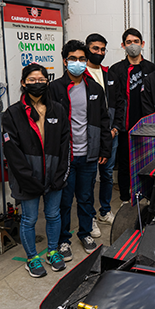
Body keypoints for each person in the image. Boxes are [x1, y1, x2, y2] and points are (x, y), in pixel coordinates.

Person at [2, 63, 70, 278]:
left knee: (53, 214)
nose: (37, 84)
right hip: (26, 177)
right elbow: (11, 151)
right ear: (23, 83)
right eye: (32, 80)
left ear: (47, 82)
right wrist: (28, 179)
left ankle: (52, 252)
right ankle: (31, 257)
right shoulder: (12, 114)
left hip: (53, 174)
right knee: (29, 219)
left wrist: (60, 174)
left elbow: (65, 144)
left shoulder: (58, 110)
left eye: (41, 80)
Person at [50, 40, 112, 261]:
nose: (78, 63)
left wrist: (104, 148)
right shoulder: (55, 88)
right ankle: (64, 240)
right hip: (66, 156)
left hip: (88, 154)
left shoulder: (94, 87)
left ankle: (85, 233)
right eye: (73, 59)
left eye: (82, 59)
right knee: (65, 200)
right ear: (65, 60)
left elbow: (104, 121)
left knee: (85, 198)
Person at [109, 28, 155, 203]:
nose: (133, 45)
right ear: (123, 45)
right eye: (129, 42)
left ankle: (148, 196)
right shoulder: (116, 70)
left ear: (142, 44)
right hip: (124, 126)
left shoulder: (152, 69)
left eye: (136, 42)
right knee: (124, 164)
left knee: (148, 163)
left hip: (146, 127)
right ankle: (124, 198)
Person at [84, 33, 126, 231]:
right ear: (87, 49)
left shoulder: (110, 75)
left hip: (110, 135)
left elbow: (119, 103)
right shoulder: (81, 76)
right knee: (90, 178)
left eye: (102, 49)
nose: (99, 53)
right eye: (95, 49)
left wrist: (116, 128)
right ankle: (90, 216)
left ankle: (104, 211)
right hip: (90, 137)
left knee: (107, 175)